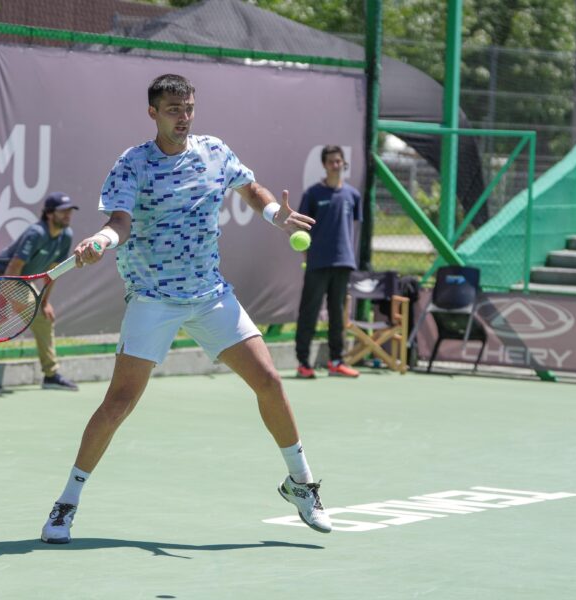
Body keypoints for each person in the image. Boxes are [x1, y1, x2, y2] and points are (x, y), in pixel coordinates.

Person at [39, 73, 332, 544]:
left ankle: (301, 483)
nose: (184, 117)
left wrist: (276, 215)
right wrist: (102, 240)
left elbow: (250, 188)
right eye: (174, 109)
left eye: (189, 107)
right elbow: (119, 222)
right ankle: (66, 503)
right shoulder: (132, 164)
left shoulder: (214, 150)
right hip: (153, 299)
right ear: (153, 112)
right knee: (118, 404)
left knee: (270, 381)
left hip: (210, 295)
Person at [0, 193, 80, 395]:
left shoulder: (67, 236)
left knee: (44, 319)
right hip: (0, 275)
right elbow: (13, 267)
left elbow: (53, 273)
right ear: (49, 214)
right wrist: (10, 298)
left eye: (70, 211)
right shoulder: (36, 233)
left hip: (22, 281)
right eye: (63, 211)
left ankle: (51, 375)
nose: (68, 215)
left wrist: (44, 302)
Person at [294, 145, 363, 379]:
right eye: (332, 161)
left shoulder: (353, 195)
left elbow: (352, 227)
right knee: (309, 312)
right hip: (318, 263)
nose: (336, 165)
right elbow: (302, 227)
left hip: (343, 262)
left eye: (339, 161)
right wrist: (308, 258)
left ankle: (336, 361)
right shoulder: (313, 194)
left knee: (337, 314)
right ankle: (303, 362)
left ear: (344, 164)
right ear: (324, 165)